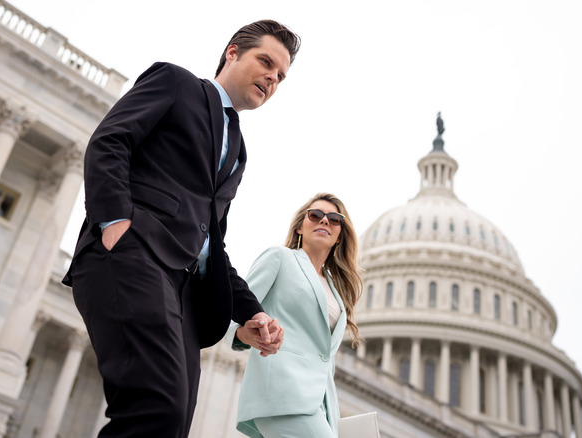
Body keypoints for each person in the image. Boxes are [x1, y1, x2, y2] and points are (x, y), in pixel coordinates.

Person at [61, 20, 301, 437]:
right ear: (232, 53)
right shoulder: (176, 82)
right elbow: (110, 141)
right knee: (157, 407)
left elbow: (212, 241)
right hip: (134, 257)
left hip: (183, 294)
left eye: (280, 76)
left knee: (172, 426)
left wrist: (251, 312)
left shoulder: (239, 151)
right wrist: (115, 223)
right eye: (266, 62)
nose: (272, 78)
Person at [226, 193, 363, 438]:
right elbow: (231, 309)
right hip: (282, 392)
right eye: (315, 215)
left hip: (320, 404)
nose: (324, 221)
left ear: (340, 235)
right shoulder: (280, 258)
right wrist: (242, 335)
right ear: (300, 226)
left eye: (334, 219)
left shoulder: (336, 289)